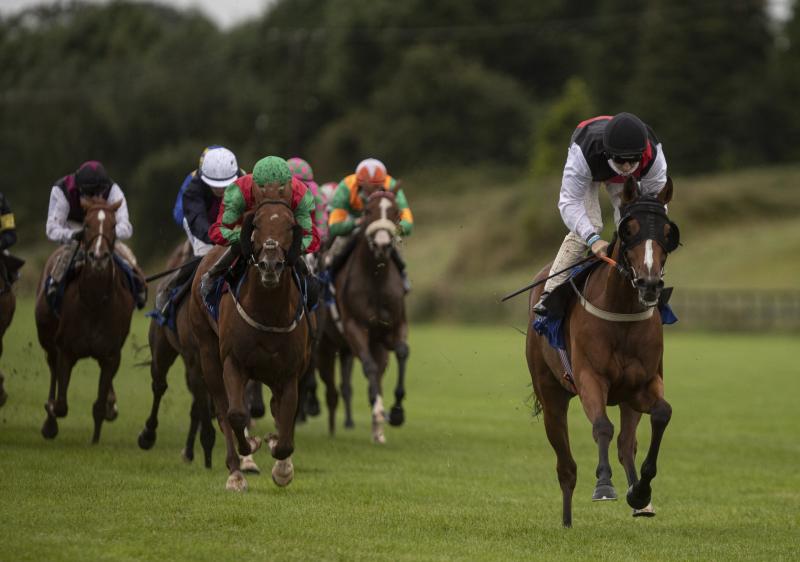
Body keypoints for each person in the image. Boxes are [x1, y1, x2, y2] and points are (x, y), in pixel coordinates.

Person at [532, 112, 668, 317]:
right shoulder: (584, 154)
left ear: (642, 153)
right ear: (609, 153)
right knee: (592, 224)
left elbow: (656, 208)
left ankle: (647, 283)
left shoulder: (654, 157)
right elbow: (569, 202)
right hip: (592, 165)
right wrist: (593, 240)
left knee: (635, 226)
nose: (626, 167)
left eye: (633, 161)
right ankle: (551, 291)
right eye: (621, 161)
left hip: (624, 173)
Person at [201, 155, 320, 299]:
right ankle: (212, 274)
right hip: (248, 227)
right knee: (240, 243)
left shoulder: (301, 195)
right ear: (254, 185)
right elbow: (217, 231)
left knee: (312, 292)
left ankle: (309, 278)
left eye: (280, 192)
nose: (272, 195)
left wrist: (294, 246)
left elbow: (312, 238)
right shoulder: (238, 192)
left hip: (285, 232)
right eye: (263, 191)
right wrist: (243, 237)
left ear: (289, 185)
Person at [45, 160, 147, 308]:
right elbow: (52, 229)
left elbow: (126, 227)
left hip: (103, 229)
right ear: (80, 188)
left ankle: (138, 284)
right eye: (91, 194)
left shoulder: (113, 190)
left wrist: (102, 233)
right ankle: (53, 286)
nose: (96, 197)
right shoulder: (62, 189)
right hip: (73, 229)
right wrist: (74, 235)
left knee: (127, 255)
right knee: (68, 253)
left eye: (99, 193)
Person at [326, 158, 414, 291]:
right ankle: (328, 275)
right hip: (355, 221)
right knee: (339, 243)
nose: (373, 195)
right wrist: (357, 223)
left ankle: (402, 273)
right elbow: (335, 227)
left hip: (384, 224)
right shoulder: (345, 187)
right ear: (359, 185)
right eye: (368, 191)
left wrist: (391, 228)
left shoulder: (391, 185)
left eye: (378, 189)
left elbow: (408, 224)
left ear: (383, 184)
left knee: (398, 241)